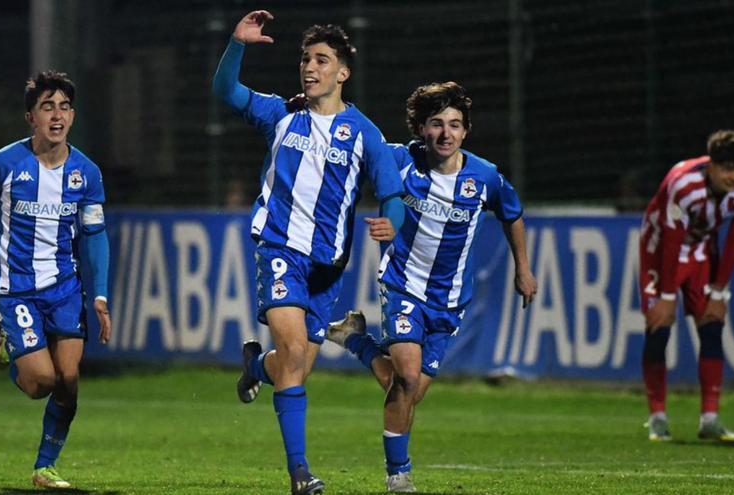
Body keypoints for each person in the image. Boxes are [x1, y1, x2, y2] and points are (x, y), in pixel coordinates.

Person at [212, 10, 405, 495]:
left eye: (321, 59)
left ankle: (256, 366)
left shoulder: (364, 133)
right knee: (296, 352)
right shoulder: (281, 114)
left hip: (327, 268)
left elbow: (392, 193)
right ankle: (300, 474)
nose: (309, 67)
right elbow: (226, 92)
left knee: (292, 367)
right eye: (305, 59)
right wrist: (237, 44)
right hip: (279, 249)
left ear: (343, 72)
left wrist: (392, 223)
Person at [325, 81, 538, 493]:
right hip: (403, 284)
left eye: (455, 125)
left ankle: (357, 341)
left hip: (450, 299)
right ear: (421, 128)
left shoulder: (485, 177)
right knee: (405, 376)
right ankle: (398, 475)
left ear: (466, 131)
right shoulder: (399, 161)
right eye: (436, 124)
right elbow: (355, 143)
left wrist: (523, 269)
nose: (446, 133)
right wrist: (322, 107)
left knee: (407, 389)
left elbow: (512, 214)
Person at [0, 70, 112, 488]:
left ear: (73, 115)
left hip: (66, 289)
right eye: (47, 106)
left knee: (69, 381)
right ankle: (10, 351)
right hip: (17, 290)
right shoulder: (4, 164)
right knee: (41, 384)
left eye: (64, 107)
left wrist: (100, 296)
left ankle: (44, 467)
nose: (57, 115)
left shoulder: (86, 173)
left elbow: (95, 235)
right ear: (30, 117)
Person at [639, 130, 734, 442]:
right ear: (711, 166)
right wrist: (666, 296)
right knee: (659, 327)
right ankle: (657, 417)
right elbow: (670, 238)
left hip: (700, 251)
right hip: (660, 250)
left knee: (712, 325)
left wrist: (719, 291)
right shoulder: (683, 183)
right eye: (727, 168)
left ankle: (710, 418)